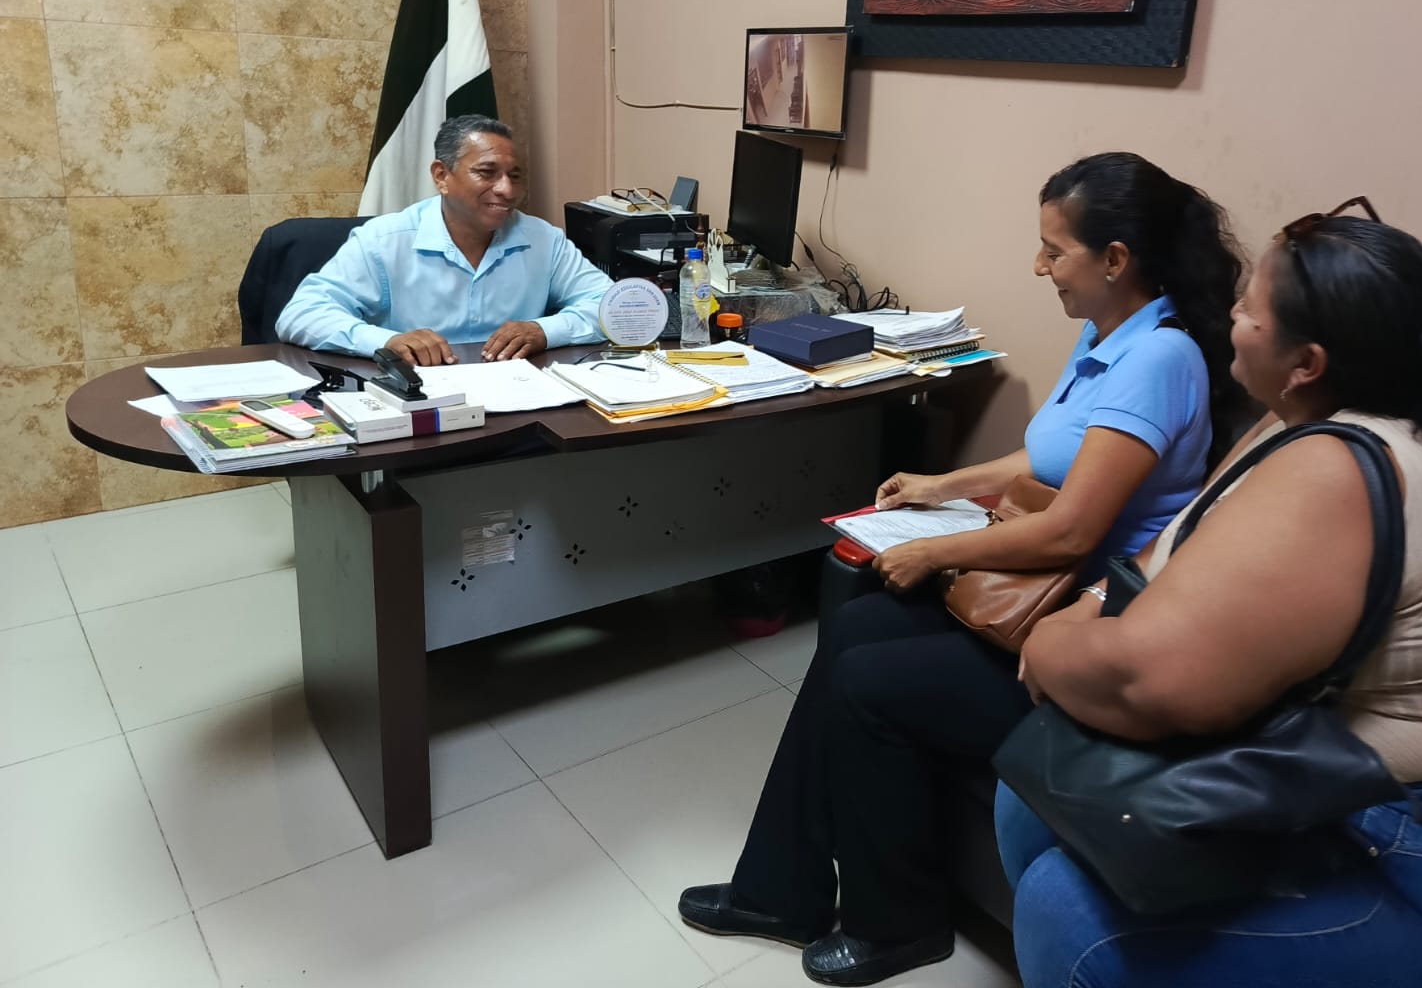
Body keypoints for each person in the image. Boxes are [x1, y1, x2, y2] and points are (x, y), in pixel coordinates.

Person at [679, 152, 1247, 986]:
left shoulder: (1160, 361)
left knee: (868, 681)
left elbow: (1071, 531)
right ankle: (780, 890)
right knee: (855, 626)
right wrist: (941, 486)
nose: (1039, 266)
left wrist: (931, 549)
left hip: (1082, 631)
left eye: (1055, 250)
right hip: (1036, 598)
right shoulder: (1107, 337)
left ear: (1116, 259)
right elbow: (1047, 459)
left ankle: (899, 923)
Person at [999, 201, 1422, 988]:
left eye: (1247, 308)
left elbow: (1148, 683)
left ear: (1306, 362)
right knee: (1031, 790)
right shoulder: (1291, 426)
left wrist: (1047, 640)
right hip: (1314, 788)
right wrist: (1092, 607)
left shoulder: (1340, 466)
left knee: (1068, 912)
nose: (1231, 316)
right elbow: (1156, 561)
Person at [276, 116, 611, 364]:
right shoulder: (384, 240)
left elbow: (613, 307)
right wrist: (388, 341)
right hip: (418, 402)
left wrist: (544, 331)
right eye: (487, 172)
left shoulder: (543, 240)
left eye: (515, 176)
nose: (506, 190)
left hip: (518, 395)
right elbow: (302, 314)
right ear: (441, 176)